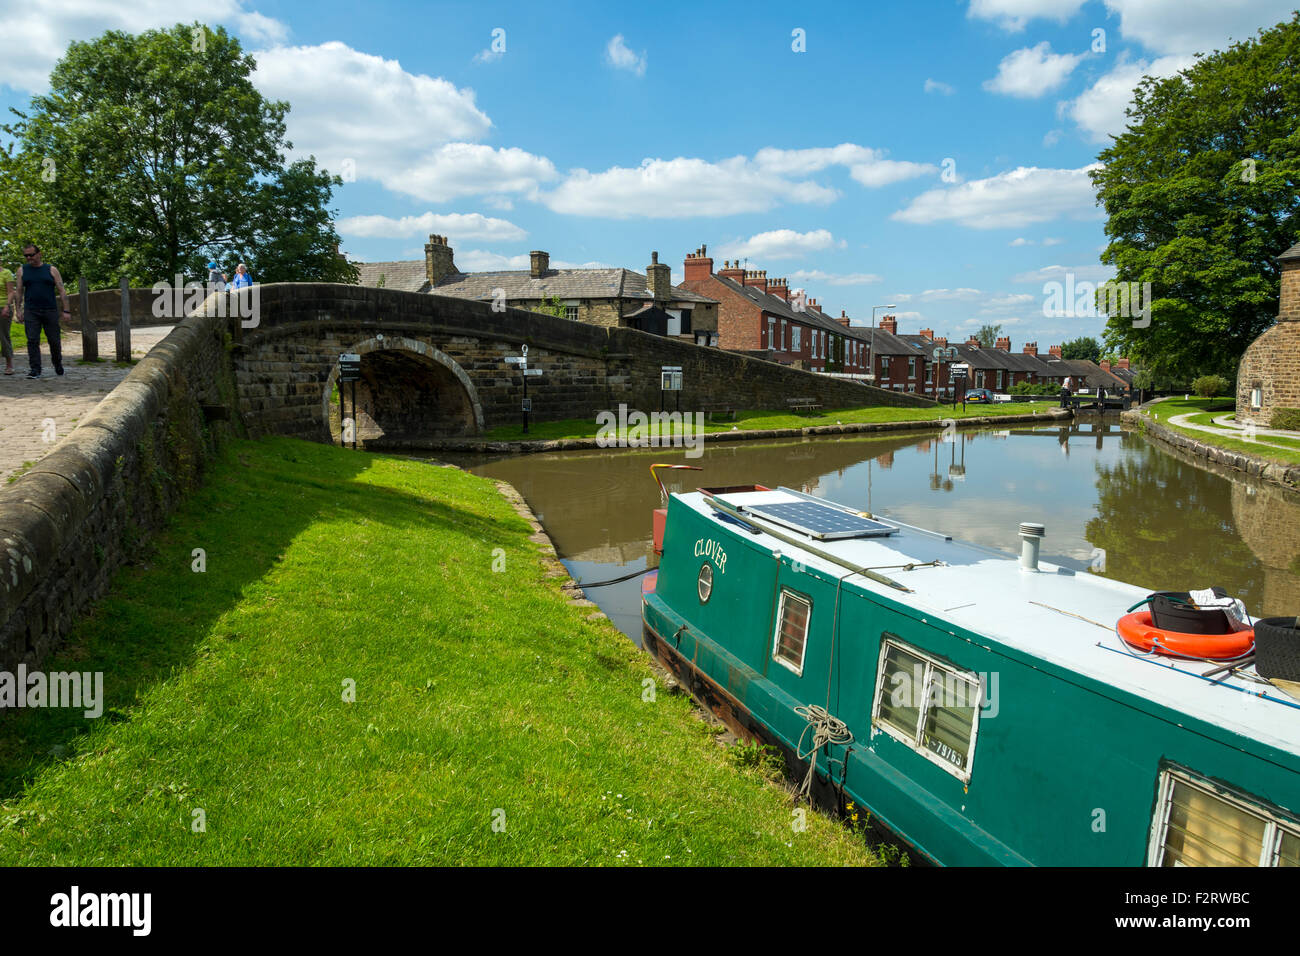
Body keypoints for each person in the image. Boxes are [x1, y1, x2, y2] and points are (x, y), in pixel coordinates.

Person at [15, 243, 70, 379]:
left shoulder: (51, 270)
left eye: (31, 255)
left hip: (50, 310)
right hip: (31, 311)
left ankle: (57, 363)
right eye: (26, 256)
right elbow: (19, 291)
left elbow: (61, 290)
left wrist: (66, 310)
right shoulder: (22, 270)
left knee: (54, 340)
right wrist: (18, 310)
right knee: (32, 340)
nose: (29, 258)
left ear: (39, 254)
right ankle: (35, 369)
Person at [0, 263, 14, 375]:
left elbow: (11, 292)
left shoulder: (6, 273)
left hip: (3, 307)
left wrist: (7, 306)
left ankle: (9, 364)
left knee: (3, 336)